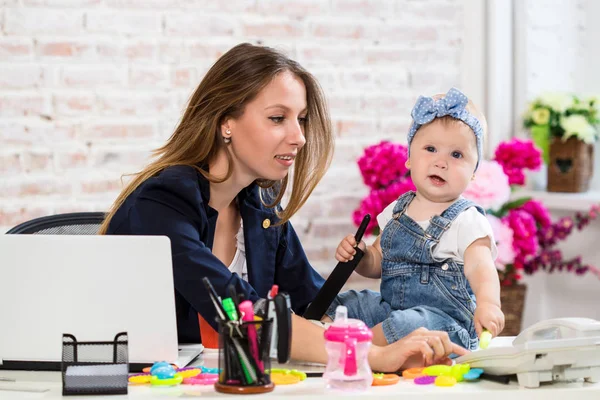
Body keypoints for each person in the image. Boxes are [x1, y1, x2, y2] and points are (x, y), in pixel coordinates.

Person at [99, 43, 467, 371]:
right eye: (278, 118)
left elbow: (314, 303)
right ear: (225, 122)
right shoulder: (164, 201)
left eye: (301, 119)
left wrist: (417, 317)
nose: (299, 137)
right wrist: (371, 353)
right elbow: (244, 314)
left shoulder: (260, 213)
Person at [330, 88, 505, 350]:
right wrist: (360, 256)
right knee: (348, 303)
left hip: (444, 325)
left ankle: (356, 351)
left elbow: (481, 269)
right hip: (391, 310)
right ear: (410, 158)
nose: (441, 162)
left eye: (456, 155)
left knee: (408, 325)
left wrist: (488, 304)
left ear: (473, 173)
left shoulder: (467, 220)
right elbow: (378, 262)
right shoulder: (396, 211)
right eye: (430, 149)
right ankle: (319, 336)